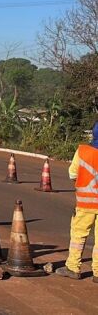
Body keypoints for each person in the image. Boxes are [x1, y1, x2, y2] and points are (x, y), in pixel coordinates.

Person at [57, 121, 98, 282]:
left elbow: (72, 174)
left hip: (85, 203)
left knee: (79, 235)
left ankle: (73, 267)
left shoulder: (82, 151)